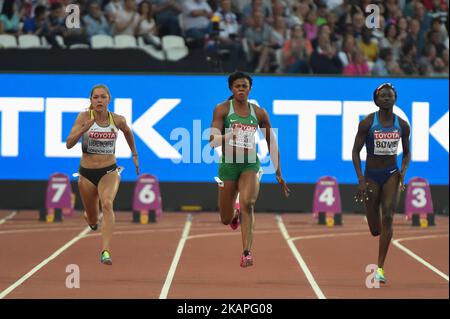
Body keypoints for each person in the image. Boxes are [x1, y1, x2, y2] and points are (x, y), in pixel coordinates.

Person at [209, 71, 290, 268]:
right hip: (228, 165)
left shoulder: (259, 113)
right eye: (237, 86)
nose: (241, 89)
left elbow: (271, 141)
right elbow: (212, 141)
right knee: (225, 218)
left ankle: (247, 252)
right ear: (231, 88)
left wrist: (278, 171)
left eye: (244, 86)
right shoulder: (221, 109)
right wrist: (229, 137)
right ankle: (234, 215)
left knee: (249, 203)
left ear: (250, 88)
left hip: (250, 164)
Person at [66, 84, 140, 265]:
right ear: (91, 100)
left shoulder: (117, 120)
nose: (99, 100)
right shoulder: (84, 117)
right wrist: (84, 128)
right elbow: (68, 143)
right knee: (93, 219)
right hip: (86, 173)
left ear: (109, 99)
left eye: (103, 97)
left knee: (107, 204)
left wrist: (135, 154)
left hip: (109, 170)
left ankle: (105, 251)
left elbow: (128, 133)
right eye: (96, 97)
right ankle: (90, 218)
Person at [352, 83, 411, 283]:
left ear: (395, 98)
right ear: (376, 100)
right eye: (383, 96)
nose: (386, 98)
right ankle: (376, 226)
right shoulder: (368, 123)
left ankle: (380, 268)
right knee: (375, 228)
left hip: (391, 174)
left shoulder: (402, 125)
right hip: (371, 176)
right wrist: (360, 179)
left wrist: (403, 171)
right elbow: (355, 152)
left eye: (390, 95)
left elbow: (407, 152)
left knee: (388, 217)